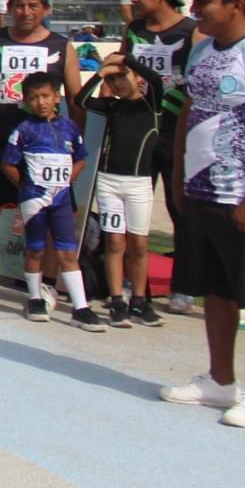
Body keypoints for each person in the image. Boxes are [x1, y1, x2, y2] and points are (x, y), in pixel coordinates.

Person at [0, 0, 82, 309]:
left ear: (46, 10)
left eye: (33, 6)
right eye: (19, 5)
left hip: (47, 151)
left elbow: (75, 98)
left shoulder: (62, 47)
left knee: (52, 217)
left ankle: (48, 286)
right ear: (9, 8)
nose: (26, 12)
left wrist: (74, 142)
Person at [123, 0, 197, 318]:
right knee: (132, 210)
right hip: (139, 132)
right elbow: (121, 70)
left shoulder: (191, 31)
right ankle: (132, 283)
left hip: (175, 132)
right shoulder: (134, 30)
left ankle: (185, 284)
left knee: (180, 209)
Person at [2, 71, 99, 329]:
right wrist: (25, 186)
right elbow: (8, 163)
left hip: (61, 200)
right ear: (26, 101)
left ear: (57, 97)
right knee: (35, 248)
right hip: (34, 200)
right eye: (33, 98)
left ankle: (81, 308)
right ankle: (35, 299)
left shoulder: (69, 128)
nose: (40, 102)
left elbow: (80, 159)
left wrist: (67, 182)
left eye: (45, 96)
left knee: (67, 251)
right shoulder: (23, 129)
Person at [82, 51, 164, 328]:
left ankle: (139, 301)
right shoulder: (111, 106)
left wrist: (125, 59)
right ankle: (117, 301)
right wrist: (99, 74)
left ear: (136, 77)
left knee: (138, 244)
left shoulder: (152, 105)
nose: (117, 83)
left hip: (139, 184)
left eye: (122, 77)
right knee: (115, 243)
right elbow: (81, 100)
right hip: (109, 183)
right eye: (112, 79)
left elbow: (155, 80)